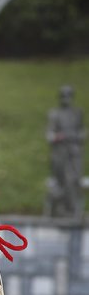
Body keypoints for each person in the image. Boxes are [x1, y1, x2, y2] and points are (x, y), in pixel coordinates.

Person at [46, 84, 86, 218]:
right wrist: (58, 137)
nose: (65, 99)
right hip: (60, 153)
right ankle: (59, 211)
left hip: (74, 153)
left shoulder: (77, 113)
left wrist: (73, 136)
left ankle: (73, 211)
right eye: (63, 96)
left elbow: (82, 133)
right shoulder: (55, 114)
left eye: (68, 95)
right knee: (61, 181)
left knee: (73, 181)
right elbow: (50, 135)